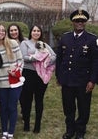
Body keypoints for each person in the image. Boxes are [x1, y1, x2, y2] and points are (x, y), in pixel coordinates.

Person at [56, 9, 98, 139]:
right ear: (72, 22)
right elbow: (60, 59)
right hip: (67, 80)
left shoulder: (92, 39)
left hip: (83, 81)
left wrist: (92, 80)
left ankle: (80, 131)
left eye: (82, 21)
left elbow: (96, 62)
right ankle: (70, 130)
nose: (80, 23)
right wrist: (59, 76)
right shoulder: (65, 37)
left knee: (83, 107)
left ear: (85, 22)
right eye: (77, 21)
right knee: (68, 107)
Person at [20, 25, 56, 133]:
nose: (36, 32)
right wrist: (37, 57)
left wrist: (46, 61)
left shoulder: (44, 45)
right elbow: (24, 58)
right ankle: (26, 124)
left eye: (38, 31)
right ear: (31, 32)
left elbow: (54, 56)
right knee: (27, 100)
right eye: (34, 31)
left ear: (41, 33)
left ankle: (37, 125)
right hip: (28, 74)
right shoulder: (25, 43)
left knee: (39, 100)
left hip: (40, 76)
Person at [0, 23, 24, 139]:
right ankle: (4, 131)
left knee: (12, 107)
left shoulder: (12, 43)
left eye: (3, 30)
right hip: (1, 82)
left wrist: (17, 70)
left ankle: (11, 133)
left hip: (14, 82)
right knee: (3, 107)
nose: (0, 32)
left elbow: (20, 60)